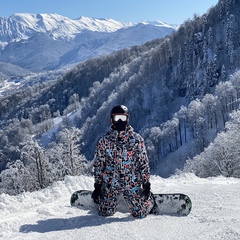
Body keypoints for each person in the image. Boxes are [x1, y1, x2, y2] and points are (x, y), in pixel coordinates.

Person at [92, 105, 155, 218]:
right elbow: (99, 164)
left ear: (127, 119)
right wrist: (98, 185)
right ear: (112, 120)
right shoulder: (104, 140)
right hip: (111, 183)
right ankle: (107, 200)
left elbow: (143, 163)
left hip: (131, 182)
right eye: (117, 118)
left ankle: (150, 200)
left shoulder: (136, 139)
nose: (120, 121)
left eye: (123, 118)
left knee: (140, 213)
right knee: (105, 213)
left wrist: (146, 184)